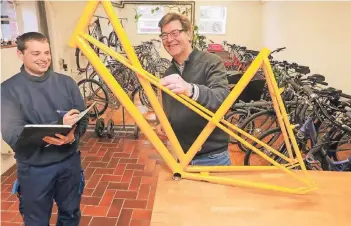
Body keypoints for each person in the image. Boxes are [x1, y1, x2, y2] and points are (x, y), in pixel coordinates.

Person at [1, 32, 88, 226]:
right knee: (36, 221)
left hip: (69, 163)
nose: (44, 58)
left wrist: (72, 137)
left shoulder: (67, 83)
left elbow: (83, 118)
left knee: (71, 214)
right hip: (35, 169)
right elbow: (13, 135)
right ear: (20, 54)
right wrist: (59, 125)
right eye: (36, 53)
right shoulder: (8, 90)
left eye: (46, 53)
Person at [156, 13, 231, 166]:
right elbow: (169, 111)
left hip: (212, 157)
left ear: (189, 34)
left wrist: (190, 89)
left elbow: (222, 99)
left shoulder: (211, 62)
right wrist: (164, 124)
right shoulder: (169, 73)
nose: (169, 39)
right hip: (183, 156)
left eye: (175, 33)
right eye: (164, 35)